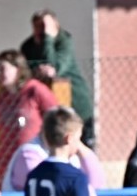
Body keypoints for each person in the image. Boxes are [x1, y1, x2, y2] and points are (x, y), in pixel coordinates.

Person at [19, 9, 94, 148]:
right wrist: (37, 71)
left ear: (55, 26)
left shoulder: (64, 41)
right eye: (38, 26)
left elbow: (55, 66)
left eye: (45, 26)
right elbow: (25, 71)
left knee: (81, 146)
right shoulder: (28, 46)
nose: (41, 30)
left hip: (75, 102)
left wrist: (48, 38)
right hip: (49, 107)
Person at [0, 50, 58, 192]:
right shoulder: (1, 99)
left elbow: (55, 116)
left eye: (3, 69)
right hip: (8, 156)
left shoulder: (35, 90)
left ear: (18, 69)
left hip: (32, 156)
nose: (0, 73)